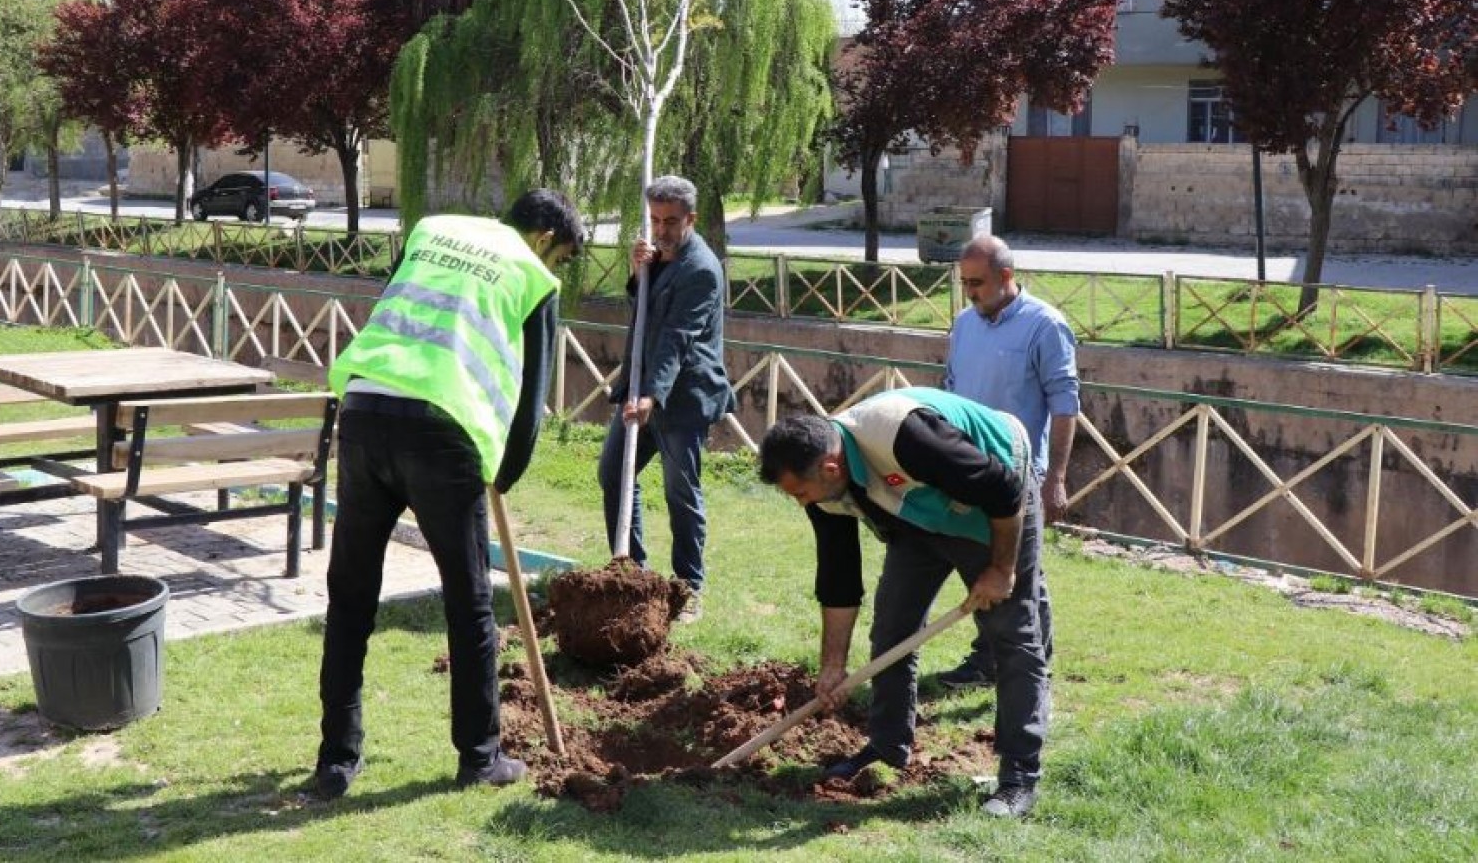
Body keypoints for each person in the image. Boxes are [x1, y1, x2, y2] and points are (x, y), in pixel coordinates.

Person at [313, 188, 585, 799]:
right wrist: (505, 474)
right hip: (442, 431)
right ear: (545, 238)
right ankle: (481, 756)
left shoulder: (432, 230)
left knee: (351, 596)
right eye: (561, 256)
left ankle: (336, 760)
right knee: (469, 604)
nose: (556, 268)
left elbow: (397, 311)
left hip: (363, 409)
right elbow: (530, 399)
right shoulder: (532, 275)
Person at [758, 386, 1050, 819]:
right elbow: (838, 577)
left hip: (996, 498)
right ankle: (888, 746)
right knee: (892, 627)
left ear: (830, 466)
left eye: (801, 493)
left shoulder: (904, 435)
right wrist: (833, 666)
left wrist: (1002, 570)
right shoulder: (824, 487)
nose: (802, 503)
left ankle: (1019, 777)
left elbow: (1002, 489)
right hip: (918, 516)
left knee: (1010, 635)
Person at [934, 234, 1079, 690]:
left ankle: (1032, 662)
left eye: (977, 283)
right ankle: (988, 658)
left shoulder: (1045, 325)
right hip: (967, 469)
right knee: (983, 567)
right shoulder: (964, 323)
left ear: (1006, 277)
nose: (970, 292)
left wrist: (1055, 477)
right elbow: (951, 389)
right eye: (964, 283)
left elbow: (1065, 405)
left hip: (1019, 473)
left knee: (1022, 572)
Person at [598, 175, 735, 624]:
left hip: (683, 397)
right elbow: (646, 313)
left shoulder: (701, 269)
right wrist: (642, 274)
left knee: (681, 491)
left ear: (691, 219)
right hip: (641, 387)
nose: (661, 229)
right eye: (655, 220)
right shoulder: (658, 254)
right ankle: (631, 572)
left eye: (671, 221)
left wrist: (652, 396)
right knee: (614, 473)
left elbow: (676, 337)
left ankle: (688, 589)